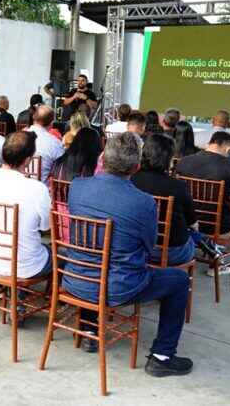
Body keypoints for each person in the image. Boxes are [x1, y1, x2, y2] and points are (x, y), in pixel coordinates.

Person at [67, 133, 193, 377]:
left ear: (103, 157)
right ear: (136, 167)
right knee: (178, 281)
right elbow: (148, 247)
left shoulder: (77, 186)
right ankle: (162, 355)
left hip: (76, 280)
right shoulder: (143, 202)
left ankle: (90, 331)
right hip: (119, 287)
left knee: (96, 255)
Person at [0, 131, 52, 279]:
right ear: (28, 160)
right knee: (56, 255)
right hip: (26, 267)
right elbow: (46, 227)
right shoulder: (37, 188)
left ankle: (15, 294)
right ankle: (21, 295)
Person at [131, 134, 207, 265]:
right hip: (171, 252)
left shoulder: (130, 180)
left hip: (136, 248)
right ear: (168, 159)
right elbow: (193, 224)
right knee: (195, 234)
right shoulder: (178, 186)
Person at [176, 131, 230, 247]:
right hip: (219, 228)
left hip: (187, 222)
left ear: (210, 143)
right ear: (228, 149)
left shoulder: (183, 162)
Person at [28, 105, 64, 184]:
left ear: (34, 118)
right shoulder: (55, 143)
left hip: (19, 186)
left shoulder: (19, 137)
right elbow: (61, 171)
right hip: (44, 189)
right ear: (51, 123)